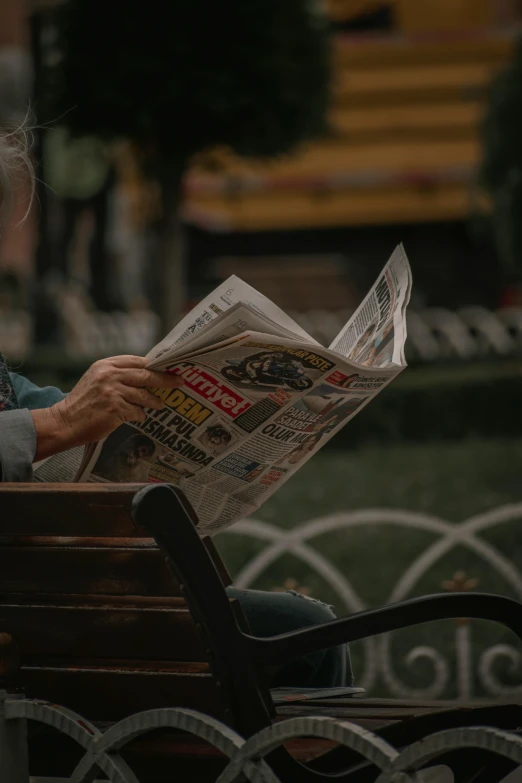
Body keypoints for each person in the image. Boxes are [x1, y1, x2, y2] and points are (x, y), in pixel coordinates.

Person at [0, 127, 352, 690]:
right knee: (302, 630)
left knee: (298, 627)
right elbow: (47, 419)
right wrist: (59, 423)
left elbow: (32, 404)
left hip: (61, 613)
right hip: (44, 633)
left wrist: (128, 401)